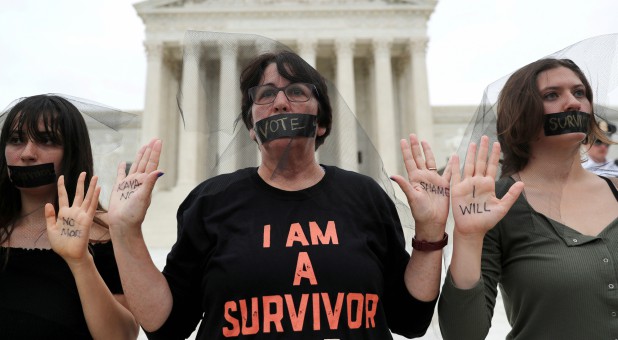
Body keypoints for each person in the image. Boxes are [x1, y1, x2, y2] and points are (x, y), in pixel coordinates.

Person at [107, 31, 450, 339]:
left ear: (322, 125)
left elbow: (410, 319)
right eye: (266, 94)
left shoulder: (365, 197)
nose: (281, 102)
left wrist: (431, 230)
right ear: (252, 128)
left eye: (297, 92)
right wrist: (125, 231)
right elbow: (166, 326)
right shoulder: (210, 203)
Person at [438, 42, 618, 339]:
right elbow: (463, 334)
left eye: (579, 93)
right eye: (551, 95)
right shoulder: (496, 204)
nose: (573, 103)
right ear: (521, 113)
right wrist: (468, 238)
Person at [0, 94, 139, 339]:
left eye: (47, 140)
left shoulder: (105, 234)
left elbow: (122, 336)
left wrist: (80, 262)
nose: (27, 153)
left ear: (72, 153)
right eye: (16, 139)